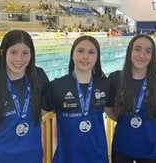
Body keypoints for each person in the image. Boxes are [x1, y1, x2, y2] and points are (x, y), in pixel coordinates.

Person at [0, 30, 49, 163]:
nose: (19, 59)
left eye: (25, 53)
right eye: (13, 52)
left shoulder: (39, 77)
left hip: (33, 156)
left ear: (31, 54)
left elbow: (49, 107)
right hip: (0, 158)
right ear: (3, 53)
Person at [42, 35, 113, 163]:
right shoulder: (56, 86)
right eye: (80, 51)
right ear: (72, 55)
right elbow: (34, 118)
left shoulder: (105, 84)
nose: (85, 56)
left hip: (98, 157)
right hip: (66, 158)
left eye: (91, 52)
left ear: (97, 57)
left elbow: (114, 114)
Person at [108, 34, 156, 163]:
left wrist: (153, 116)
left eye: (148, 51)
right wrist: (122, 119)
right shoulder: (115, 79)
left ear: (152, 56)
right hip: (121, 145)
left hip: (149, 147)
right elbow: (109, 109)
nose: (142, 55)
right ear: (129, 51)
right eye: (137, 49)